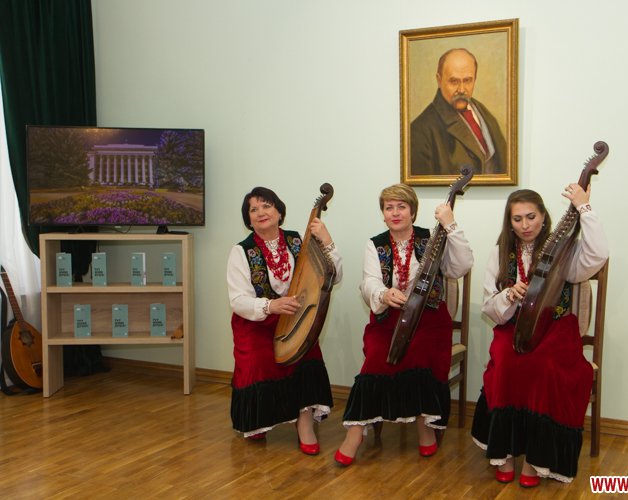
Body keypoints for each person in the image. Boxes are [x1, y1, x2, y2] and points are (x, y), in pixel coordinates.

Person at [471, 184, 608, 487]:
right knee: (506, 363)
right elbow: (490, 308)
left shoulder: (563, 250)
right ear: (510, 223)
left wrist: (584, 208)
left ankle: (535, 459)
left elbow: (597, 255)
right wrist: (509, 295)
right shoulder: (500, 252)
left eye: (531, 217)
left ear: (544, 216)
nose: (525, 225)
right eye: (517, 219)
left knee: (543, 367)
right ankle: (504, 452)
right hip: (513, 327)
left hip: (555, 327)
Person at [334, 183, 473, 466]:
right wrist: (383, 293)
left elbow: (461, 266)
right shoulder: (375, 244)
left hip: (430, 319)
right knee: (376, 357)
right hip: (389, 318)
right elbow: (369, 282)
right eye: (389, 208)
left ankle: (424, 426)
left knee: (419, 352)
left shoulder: (432, 238)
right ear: (383, 214)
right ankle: (355, 433)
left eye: (401, 207)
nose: (395, 213)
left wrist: (451, 226)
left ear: (413, 211)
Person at [226, 186, 343, 455]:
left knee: (307, 356)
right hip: (256, 322)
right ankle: (261, 418)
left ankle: (304, 423)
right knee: (258, 361)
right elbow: (238, 301)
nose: (260, 212)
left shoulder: (297, 241)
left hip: (293, 318)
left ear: (279, 212)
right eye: (253, 209)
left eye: (266, 206)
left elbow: (333, 276)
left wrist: (327, 241)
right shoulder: (241, 251)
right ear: (248, 219)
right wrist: (271, 305)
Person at [410, 48, 506, 176]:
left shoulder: (483, 112)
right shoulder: (420, 131)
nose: (461, 89)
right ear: (439, 80)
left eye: (467, 80)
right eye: (454, 81)